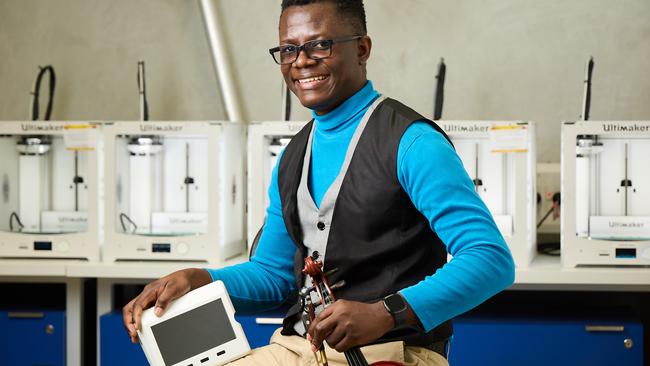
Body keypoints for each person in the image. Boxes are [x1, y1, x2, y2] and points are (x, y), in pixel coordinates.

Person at [123, 1, 515, 365]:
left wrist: (385, 312)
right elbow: (274, 276)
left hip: (395, 351)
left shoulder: (412, 143)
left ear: (362, 48)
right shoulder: (292, 157)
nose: (301, 62)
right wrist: (199, 279)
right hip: (296, 348)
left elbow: (490, 259)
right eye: (288, 50)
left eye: (320, 45)